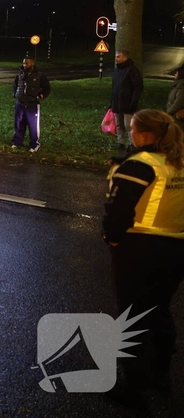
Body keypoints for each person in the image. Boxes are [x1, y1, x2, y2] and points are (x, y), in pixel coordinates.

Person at [102, 109, 184, 403]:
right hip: (176, 248)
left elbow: (119, 211)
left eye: (134, 129)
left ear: (146, 134)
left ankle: (134, 388)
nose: (132, 134)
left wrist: (111, 238)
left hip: (140, 248)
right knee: (160, 310)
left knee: (133, 316)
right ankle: (161, 374)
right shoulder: (177, 162)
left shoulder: (140, 165)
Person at [11, 56, 51, 153]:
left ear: (32, 63)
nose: (24, 65)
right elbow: (15, 84)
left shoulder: (39, 75)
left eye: (27, 63)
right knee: (19, 124)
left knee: (33, 126)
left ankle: (35, 144)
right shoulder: (20, 73)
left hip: (32, 104)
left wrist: (42, 95)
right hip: (20, 103)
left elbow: (47, 88)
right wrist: (14, 93)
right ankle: (17, 142)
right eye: (24, 63)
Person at [111, 49, 143, 148]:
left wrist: (134, 101)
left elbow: (138, 87)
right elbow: (114, 87)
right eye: (116, 56)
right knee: (119, 124)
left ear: (125, 57)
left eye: (118, 56)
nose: (116, 59)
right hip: (117, 102)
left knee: (128, 125)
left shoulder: (132, 70)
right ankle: (120, 142)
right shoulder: (117, 71)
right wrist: (111, 102)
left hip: (127, 102)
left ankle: (132, 144)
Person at [166, 64, 184, 129]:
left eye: (176, 73)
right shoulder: (178, 85)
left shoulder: (182, 86)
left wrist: (170, 111)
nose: (174, 75)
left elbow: (180, 101)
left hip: (179, 119)